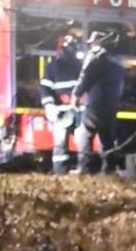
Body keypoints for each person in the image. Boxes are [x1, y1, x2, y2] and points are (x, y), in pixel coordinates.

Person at [71, 30, 125, 174]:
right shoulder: (116, 60)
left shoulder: (97, 57)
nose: (90, 46)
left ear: (97, 43)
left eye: (92, 43)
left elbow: (86, 76)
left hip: (96, 103)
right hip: (111, 104)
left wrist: (76, 95)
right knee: (106, 137)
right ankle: (109, 169)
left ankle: (84, 167)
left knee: (84, 133)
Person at [41, 25, 84, 174]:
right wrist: (49, 104)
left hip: (70, 112)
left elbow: (45, 88)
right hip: (68, 113)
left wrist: (49, 105)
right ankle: (67, 170)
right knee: (75, 143)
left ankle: (62, 171)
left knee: (66, 144)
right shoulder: (55, 67)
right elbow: (45, 88)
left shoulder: (78, 66)